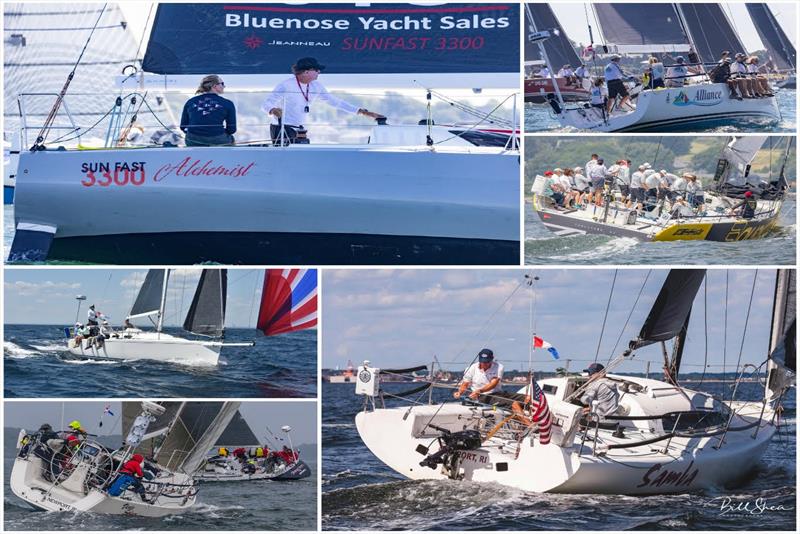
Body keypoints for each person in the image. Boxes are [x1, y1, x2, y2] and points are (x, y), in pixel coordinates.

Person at [262, 57, 384, 145]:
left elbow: (336, 102)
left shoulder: (316, 86)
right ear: (306, 72)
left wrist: (363, 112)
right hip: (282, 128)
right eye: (317, 70)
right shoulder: (286, 85)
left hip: (300, 128)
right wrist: (272, 110)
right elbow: (265, 104)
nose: (319, 72)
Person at [180, 75, 236, 147]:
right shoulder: (228, 103)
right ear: (214, 86)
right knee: (231, 139)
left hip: (193, 139)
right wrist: (216, 132)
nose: (224, 86)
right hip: (218, 138)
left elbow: (183, 126)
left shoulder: (190, 102)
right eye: (222, 83)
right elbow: (232, 130)